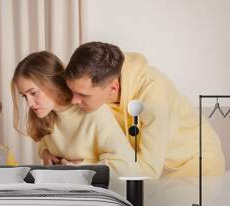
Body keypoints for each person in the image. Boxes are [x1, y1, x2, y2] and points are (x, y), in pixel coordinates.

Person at [64, 41, 225, 178]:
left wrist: (86, 170)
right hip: (155, 169)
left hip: (195, 167)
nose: (74, 100)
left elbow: (147, 172)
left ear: (113, 88)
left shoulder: (154, 96)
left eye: (82, 95)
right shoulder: (98, 84)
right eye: (72, 92)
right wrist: (49, 152)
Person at [11, 51, 139, 178]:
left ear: (51, 84)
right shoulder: (47, 115)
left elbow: (127, 168)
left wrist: (83, 169)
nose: (29, 103)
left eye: (33, 93)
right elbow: (47, 142)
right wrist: (44, 153)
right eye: (24, 96)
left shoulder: (95, 113)